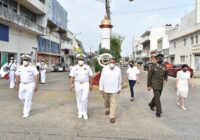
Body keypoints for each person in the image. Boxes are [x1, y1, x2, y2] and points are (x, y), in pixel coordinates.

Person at [69, 55, 93, 120]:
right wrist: (71, 84)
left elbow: (90, 76)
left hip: (86, 84)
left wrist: (91, 84)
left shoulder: (87, 67)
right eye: (79, 59)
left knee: (84, 99)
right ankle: (80, 112)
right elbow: (72, 76)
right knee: (79, 99)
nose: (80, 61)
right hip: (77, 84)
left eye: (82, 59)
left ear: (84, 60)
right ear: (77, 60)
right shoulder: (74, 67)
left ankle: (84, 113)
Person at [99, 57, 122, 123]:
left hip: (114, 89)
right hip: (106, 89)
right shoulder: (104, 69)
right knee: (106, 101)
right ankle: (107, 109)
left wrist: (119, 88)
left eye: (113, 62)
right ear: (108, 62)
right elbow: (101, 79)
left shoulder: (118, 69)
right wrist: (101, 88)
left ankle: (112, 116)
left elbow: (120, 79)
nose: (112, 63)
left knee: (113, 102)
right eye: (111, 62)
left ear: (115, 62)